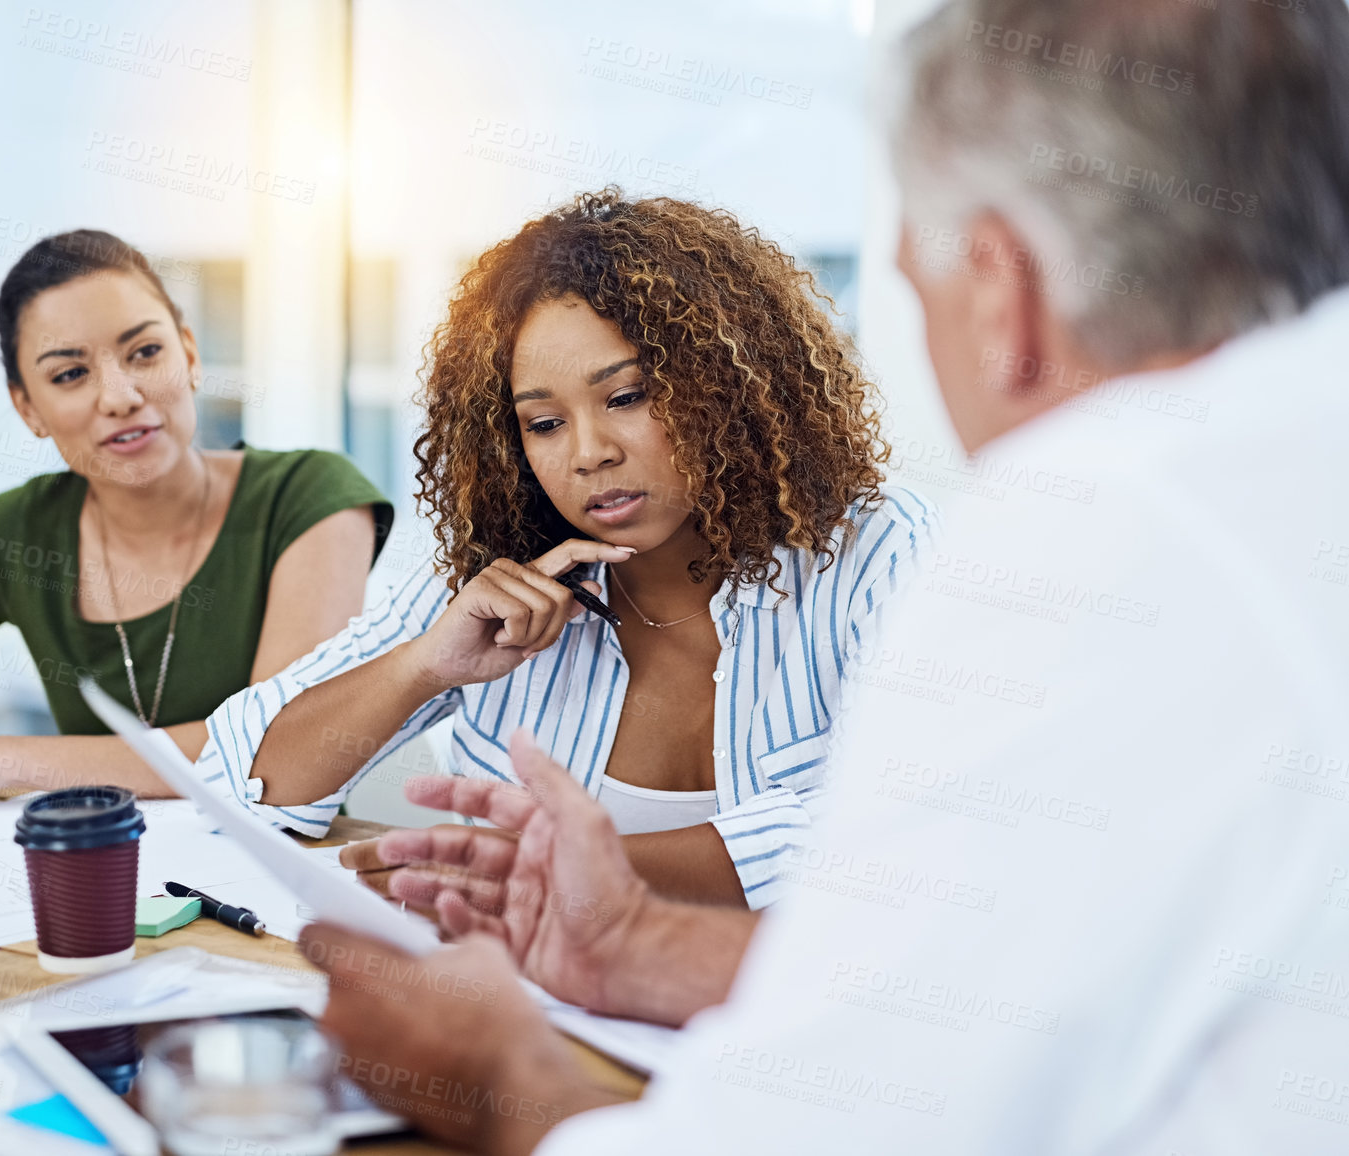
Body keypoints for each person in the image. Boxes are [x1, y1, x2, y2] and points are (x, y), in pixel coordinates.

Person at [295, 0, 1349, 1152]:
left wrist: (496, 1076)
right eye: (545, 418)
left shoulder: (1100, 529)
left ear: (1001, 292)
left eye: (913, 284)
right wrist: (638, 943)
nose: (588, 448)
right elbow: (973, 984)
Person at [197, 191, 936, 906]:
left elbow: (894, 830)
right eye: (543, 423)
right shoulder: (502, 574)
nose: (587, 454)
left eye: (625, 398)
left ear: (723, 389)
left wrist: (553, 870)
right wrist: (423, 666)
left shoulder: (872, 553)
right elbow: (234, 782)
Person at [0, 230, 392, 811]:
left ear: (188, 354)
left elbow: (277, 752)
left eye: (146, 352)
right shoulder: (14, 536)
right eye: (70, 374)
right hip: (91, 880)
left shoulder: (309, 497)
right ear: (28, 408)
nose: (120, 395)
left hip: (275, 892)